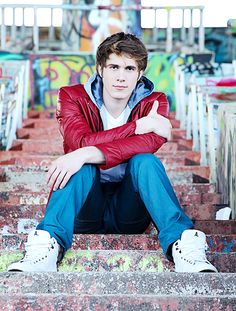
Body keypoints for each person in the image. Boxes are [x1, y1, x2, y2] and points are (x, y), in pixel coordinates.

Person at [8, 32, 217, 273]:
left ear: (140, 74)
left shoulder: (154, 103)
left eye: (129, 68)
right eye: (114, 66)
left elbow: (146, 145)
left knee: (145, 161)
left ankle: (183, 244)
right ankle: (46, 247)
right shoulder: (72, 97)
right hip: (86, 209)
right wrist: (135, 128)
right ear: (100, 69)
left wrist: (85, 152)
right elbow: (80, 142)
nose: (120, 76)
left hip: (130, 212)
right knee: (79, 165)